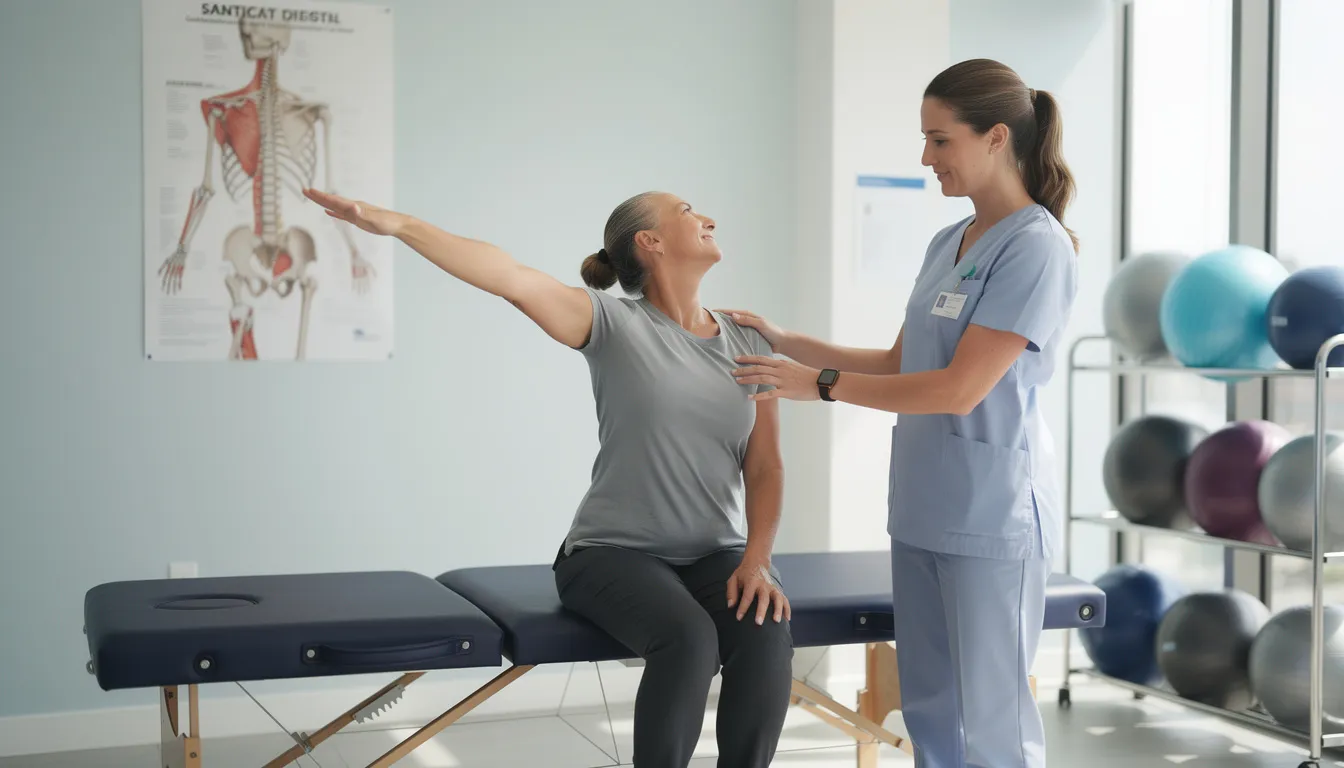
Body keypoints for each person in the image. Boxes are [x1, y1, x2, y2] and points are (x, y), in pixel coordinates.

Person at [301, 186, 794, 768]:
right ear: (651, 241)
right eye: (688, 212)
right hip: (610, 554)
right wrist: (400, 224)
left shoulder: (747, 340)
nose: (709, 217)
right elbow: (507, 274)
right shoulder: (610, 322)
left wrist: (756, 557)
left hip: (714, 550)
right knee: (687, 640)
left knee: (765, 632)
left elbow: (764, 464)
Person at [726, 58, 1079, 768]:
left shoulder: (1036, 246)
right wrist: (789, 343)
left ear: (996, 137)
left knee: (993, 724)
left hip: (991, 517)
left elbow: (956, 389)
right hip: (923, 508)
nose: (926, 158)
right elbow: (901, 360)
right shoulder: (947, 242)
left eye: (940, 140)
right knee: (931, 712)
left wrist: (817, 385)